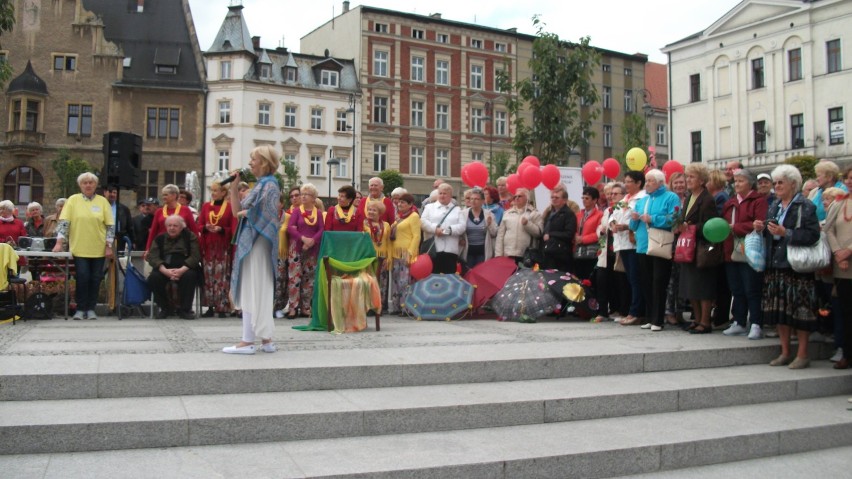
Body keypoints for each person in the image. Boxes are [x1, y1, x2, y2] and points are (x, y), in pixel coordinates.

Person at [753, 164, 821, 369]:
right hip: (775, 263)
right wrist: (761, 228)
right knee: (779, 312)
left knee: (800, 312)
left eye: (780, 182)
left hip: (796, 266)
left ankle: (802, 353)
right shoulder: (774, 205)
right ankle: (784, 352)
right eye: (775, 183)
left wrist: (787, 233)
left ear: (793, 183)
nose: (777, 186)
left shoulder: (805, 205)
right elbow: (770, 229)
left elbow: (812, 235)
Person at [222, 145, 281, 355]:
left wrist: (247, 213)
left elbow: (267, 214)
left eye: (253, 159)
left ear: (263, 161)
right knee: (255, 287)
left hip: (259, 242)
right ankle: (265, 339)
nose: (250, 163)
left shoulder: (270, 185)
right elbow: (237, 211)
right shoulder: (261, 185)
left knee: (255, 287)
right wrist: (233, 188)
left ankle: (248, 341)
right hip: (253, 241)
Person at [52, 172, 115, 320]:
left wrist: (109, 245)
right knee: (82, 277)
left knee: (96, 278)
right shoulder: (73, 200)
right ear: (80, 185)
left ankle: (91, 308)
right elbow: (64, 223)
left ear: (95, 185)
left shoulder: (102, 202)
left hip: (99, 248)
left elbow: (110, 226)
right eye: (85, 183)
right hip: (79, 247)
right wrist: (59, 242)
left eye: (91, 183)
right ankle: (80, 308)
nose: (88, 185)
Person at [629, 169, 679, 331]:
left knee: (659, 281)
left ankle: (658, 319)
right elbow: (633, 226)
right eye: (647, 180)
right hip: (643, 245)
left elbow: (675, 218)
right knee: (646, 282)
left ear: (660, 182)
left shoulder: (671, 197)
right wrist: (633, 218)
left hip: (660, 245)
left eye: (651, 180)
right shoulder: (642, 200)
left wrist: (653, 219)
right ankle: (650, 316)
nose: (647, 183)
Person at [721, 168, 768, 339]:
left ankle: (756, 322)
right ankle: (739, 321)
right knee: (737, 288)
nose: (737, 184)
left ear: (750, 183)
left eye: (740, 181)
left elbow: (759, 223)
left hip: (750, 248)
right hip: (730, 249)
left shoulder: (758, 201)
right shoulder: (730, 202)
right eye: (735, 181)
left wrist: (736, 228)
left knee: (752, 288)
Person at [676, 163, 720, 334]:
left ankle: (705, 321)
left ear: (702, 180)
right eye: (687, 176)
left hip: (703, 247)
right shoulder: (688, 198)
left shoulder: (707, 199)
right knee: (690, 285)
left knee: (703, 286)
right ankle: (696, 318)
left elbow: (711, 225)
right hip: (689, 247)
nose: (688, 180)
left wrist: (691, 226)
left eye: (692, 177)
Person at [146, 216, 201, 319]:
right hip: (165, 268)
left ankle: (185, 310)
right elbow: (152, 257)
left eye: (175, 226)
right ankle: (164, 308)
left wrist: (182, 270)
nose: (172, 228)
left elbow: (195, 256)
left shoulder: (190, 237)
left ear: (181, 227)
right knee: (154, 278)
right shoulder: (159, 239)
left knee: (190, 276)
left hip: (185, 267)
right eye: (169, 225)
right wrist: (164, 270)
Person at [825, 165, 852, 369]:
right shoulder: (839, 202)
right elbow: (828, 228)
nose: (850, 181)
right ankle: (847, 352)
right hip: (842, 266)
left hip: (848, 256)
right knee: (845, 311)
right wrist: (837, 253)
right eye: (849, 178)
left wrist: (848, 251)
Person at [198, 180, 236, 318]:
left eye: (215, 191)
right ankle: (209, 305)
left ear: (223, 192)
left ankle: (222, 306)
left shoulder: (230, 207)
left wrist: (221, 230)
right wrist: (205, 228)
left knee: (222, 276)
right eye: (212, 191)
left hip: (223, 246)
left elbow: (233, 228)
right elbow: (199, 224)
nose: (213, 193)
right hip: (208, 247)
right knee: (208, 276)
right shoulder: (206, 206)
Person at [287, 183, 324, 319]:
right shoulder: (297, 211)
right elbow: (291, 227)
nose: (302, 196)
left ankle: (305, 307)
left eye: (306, 194)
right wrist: (303, 239)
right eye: (302, 194)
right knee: (294, 278)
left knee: (309, 279)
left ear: (314, 198)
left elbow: (321, 230)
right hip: (297, 248)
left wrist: (312, 241)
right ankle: (292, 308)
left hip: (312, 250)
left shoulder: (318, 213)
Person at [594, 183, 630, 322]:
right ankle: (603, 311)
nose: (610, 196)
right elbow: (601, 227)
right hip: (605, 251)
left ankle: (622, 311)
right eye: (608, 193)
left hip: (618, 250)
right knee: (602, 280)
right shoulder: (607, 210)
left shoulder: (624, 207)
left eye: (614, 194)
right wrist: (601, 231)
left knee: (620, 282)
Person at [615, 171, 647, 325]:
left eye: (629, 181)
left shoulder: (642, 197)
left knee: (636, 279)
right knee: (630, 278)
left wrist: (626, 226)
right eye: (625, 181)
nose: (626, 184)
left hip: (634, 243)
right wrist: (613, 224)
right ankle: (632, 310)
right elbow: (613, 216)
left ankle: (636, 312)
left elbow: (639, 219)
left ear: (638, 183)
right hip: (622, 244)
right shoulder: (624, 199)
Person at [420, 183, 465, 274]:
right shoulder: (429, 207)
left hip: (450, 250)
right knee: (433, 276)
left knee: (449, 277)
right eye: (440, 193)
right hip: (433, 249)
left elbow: (462, 226)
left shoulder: (457, 210)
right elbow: (423, 222)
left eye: (445, 193)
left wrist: (447, 231)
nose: (442, 195)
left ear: (450, 196)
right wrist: (435, 229)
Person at [388, 193, 421, 314]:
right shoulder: (399, 217)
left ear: (410, 205)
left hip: (406, 253)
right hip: (396, 253)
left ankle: (406, 307)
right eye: (399, 202)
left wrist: (411, 253)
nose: (400, 204)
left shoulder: (414, 216)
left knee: (405, 282)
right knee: (396, 281)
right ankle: (396, 307)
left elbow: (417, 236)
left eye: (403, 202)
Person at [144, 184, 199, 255]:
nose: (163, 197)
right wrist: (148, 249)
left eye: (166, 195)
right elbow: (153, 232)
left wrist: (197, 249)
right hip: (162, 246)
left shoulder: (185, 210)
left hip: (181, 247)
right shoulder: (159, 211)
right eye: (163, 195)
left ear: (174, 195)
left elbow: (193, 230)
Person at [664, 172, 687, 326]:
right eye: (676, 183)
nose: (679, 185)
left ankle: (680, 310)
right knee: (671, 279)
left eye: (681, 182)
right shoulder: (669, 199)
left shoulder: (689, 199)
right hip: (671, 242)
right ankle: (669, 311)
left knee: (683, 278)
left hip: (686, 242)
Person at [495, 188, 542, 263]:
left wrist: (527, 224)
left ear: (527, 198)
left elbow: (539, 233)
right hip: (508, 254)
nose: (516, 198)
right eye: (515, 196)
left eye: (520, 196)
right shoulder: (507, 213)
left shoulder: (535, 213)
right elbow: (500, 235)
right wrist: (498, 255)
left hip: (526, 255)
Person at [540, 187, 577, 272]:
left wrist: (551, 234)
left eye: (557, 198)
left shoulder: (569, 214)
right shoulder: (549, 213)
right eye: (552, 197)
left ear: (564, 200)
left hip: (561, 255)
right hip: (548, 252)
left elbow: (569, 234)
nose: (554, 199)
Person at [460, 188, 498, 269]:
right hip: (468, 251)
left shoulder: (489, 214)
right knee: (468, 275)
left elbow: (494, 233)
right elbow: (459, 230)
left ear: (482, 201)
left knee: (480, 273)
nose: (473, 201)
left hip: (482, 251)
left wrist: (490, 224)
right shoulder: (463, 214)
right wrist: (460, 239)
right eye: (472, 199)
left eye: (477, 199)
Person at [364, 201, 390, 308]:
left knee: (381, 281)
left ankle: (379, 305)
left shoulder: (386, 225)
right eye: (369, 209)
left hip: (382, 256)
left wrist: (388, 257)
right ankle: (368, 305)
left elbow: (388, 242)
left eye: (374, 210)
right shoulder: (363, 223)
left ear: (380, 212)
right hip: (369, 256)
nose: (371, 212)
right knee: (369, 280)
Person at [574, 186, 603, 280]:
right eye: (583, 198)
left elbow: (599, 233)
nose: (584, 200)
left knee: (589, 277)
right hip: (578, 251)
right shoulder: (579, 214)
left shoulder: (600, 215)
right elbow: (574, 229)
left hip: (591, 252)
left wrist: (583, 239)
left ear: (594, 200)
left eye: (587, 198)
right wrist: (575, 236)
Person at [104, 185, 134, 251]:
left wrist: (132, 241)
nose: (112, 194)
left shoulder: (123, 209)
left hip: (119, 239)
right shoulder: (99, 207)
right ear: (105, 192)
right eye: (110, 192)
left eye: (114, 193)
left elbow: (129, 226)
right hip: (103, 239)